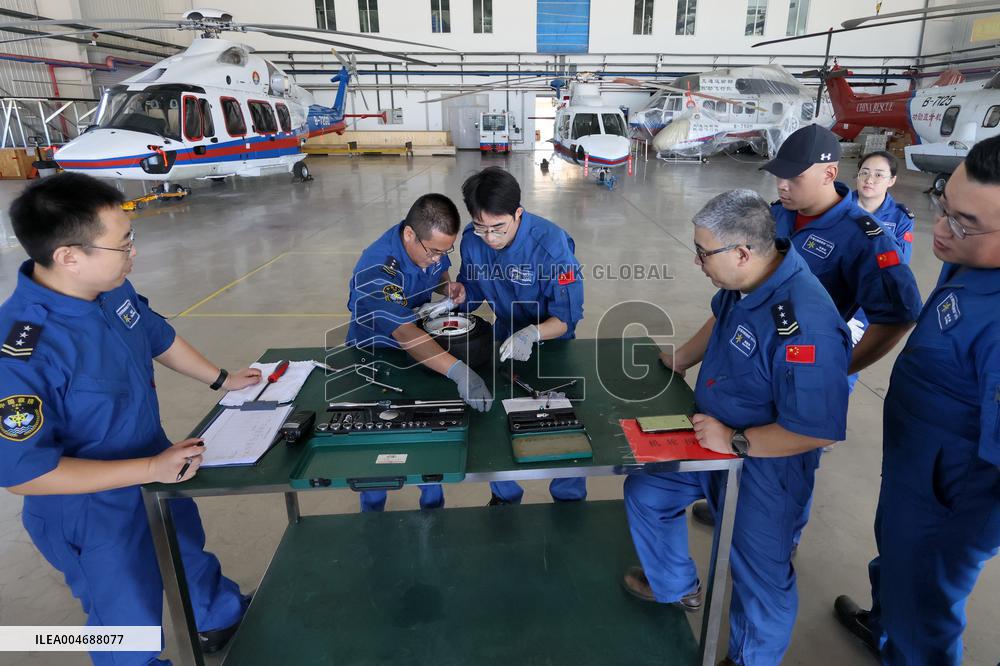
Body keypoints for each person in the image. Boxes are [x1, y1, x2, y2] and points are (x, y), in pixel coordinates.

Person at [0, 173, 255, 665]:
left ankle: (217, 617)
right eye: (123, 245)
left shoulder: (110, 288)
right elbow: (27, 474)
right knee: (126, 620)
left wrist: (222, 379)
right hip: (90, 509)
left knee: (187, 553)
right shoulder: (20, 351)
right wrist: (149, 471)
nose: (133, 253)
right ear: (69, 256)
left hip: (156, 462)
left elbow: (156, 334)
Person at [623, 190, 851, 666]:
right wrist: (681, 358)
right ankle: (677, 585)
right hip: (711, 436)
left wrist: (735, 441)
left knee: (760, 577)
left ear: (742, 252)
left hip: (763, 464)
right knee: (647, 491)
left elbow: (819, 429)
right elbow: (721, 316)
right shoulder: (746, 282)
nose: (697, 261)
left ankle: (750, 659)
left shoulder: (803, 323)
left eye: (704, 252)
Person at [689, 125, 922, 532]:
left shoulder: (862, 236)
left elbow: (898, 314)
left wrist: (842, 366)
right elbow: (734, 299)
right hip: (756, 360)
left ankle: (783, 535)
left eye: (793, 178)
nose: (782, 185)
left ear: (829, 174)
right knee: (741, 435)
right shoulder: (774, 216)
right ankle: (732, 499)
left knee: (795, 449)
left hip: (811, 358)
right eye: (779, 176)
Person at [834, 136, 1000, 665]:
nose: (943, 229)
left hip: (952, 495)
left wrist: (953, 522)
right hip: (917, 470)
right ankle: (885, 626)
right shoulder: (975, 260)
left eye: (965, 222)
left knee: (924, 601)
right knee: (898, 558)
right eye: (943, 208)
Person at [346, 193, 492, 512]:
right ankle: (372, 511)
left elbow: (437, 274)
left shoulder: (427, 247)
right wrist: (458, 371)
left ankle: (432, 504)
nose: (440, 259)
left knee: (429, 432)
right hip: (377, 358)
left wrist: (446, 287)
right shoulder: (377, 269)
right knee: (378, 443)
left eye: (446, 250)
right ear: (410, 234)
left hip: (425, 353)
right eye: (435, 251)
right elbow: (405, 333)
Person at [456, 167, 585, 506]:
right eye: (480, 227)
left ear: (518, 213)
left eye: (498, 227)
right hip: (503, 336)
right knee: (498, 417)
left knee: (559, 420)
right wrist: (455, 297)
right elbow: (471, 288)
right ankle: (505, 495)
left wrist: (533, 334)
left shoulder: (552, 245)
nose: (490, 237)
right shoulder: (472, 239)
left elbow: (568, 316)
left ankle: (568, 497)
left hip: (552, 342)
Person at [845, 150, 915, 364]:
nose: (869, 180)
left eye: (878, 174)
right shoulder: (838, 206)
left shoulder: (900, 218)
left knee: (845, 365)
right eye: (864, 172)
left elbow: (896, 268)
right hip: (830, 294)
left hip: (864, 305)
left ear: (892, 180)